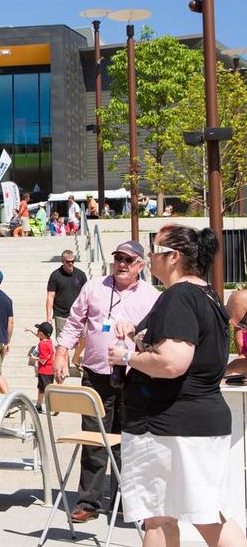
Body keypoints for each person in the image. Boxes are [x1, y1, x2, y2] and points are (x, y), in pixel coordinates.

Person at [107, 225, 245, 546]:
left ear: (174, 257)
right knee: (202, 515)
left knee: (162, 518)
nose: (150, 256)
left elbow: (172, 361)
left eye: (155, 250)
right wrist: (136, 339)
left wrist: (127, 356)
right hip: (189, 421)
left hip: (169, 424)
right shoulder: (206, 294)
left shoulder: (179, 296)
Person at [54, 240, 160, 524]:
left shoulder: (151, 295)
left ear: (140, 265)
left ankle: (128, 502)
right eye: (118, 258)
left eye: (128, 259)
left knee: (131, 440)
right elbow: (74, 321)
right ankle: (89, 502)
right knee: (93, 439)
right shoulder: (93, 287)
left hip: (134, 375)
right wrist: (61, 353)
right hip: (96, 373)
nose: (122, 264)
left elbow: (156, 333)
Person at [46, 249, 87, 338]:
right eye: (68, 261)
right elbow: (50, 297)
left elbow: (86, 295)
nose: (71, 263)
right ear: (62, 261)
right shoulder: (55, 275)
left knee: (84, 337)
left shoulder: (81, 275)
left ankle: (77, 353)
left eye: (73, 261)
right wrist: (49, 316)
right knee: (62, 340)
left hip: (78, 314)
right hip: (61, 314)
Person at [24, 322, 54, 413]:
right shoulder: (49, 341)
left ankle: (42, 406)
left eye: (38, 330)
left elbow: (43, 359)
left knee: (43, 390)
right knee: (45, 389)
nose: (37, 332)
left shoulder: (42, 345)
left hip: (44, 371)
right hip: (50, 371)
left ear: (41, 333)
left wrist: (33, 358)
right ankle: (41, 406)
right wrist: (30, 331)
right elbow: (39, 336)